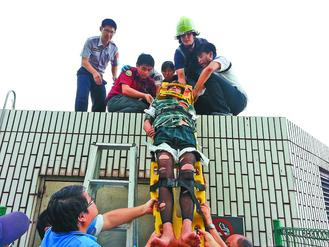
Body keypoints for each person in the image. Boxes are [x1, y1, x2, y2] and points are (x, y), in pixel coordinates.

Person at [144, 83, 208, 247]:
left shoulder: (187, 103)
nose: (174, 89)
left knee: (187, 176)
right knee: (164, 175)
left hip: (185, 135)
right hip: (163, 133)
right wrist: (148, 128)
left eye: (178, 89)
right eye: (171, 88)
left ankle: (186, 229)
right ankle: (168, 232)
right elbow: (147, 119)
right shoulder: (157, 102)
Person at [41, 185, 155, 246]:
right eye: (91, 201)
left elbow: (108, 220)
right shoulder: (85, 245)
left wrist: (144, 209)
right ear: (81, 217)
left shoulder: (52, 233)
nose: (93, 201)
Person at [173, 17, 231, 115]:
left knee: (209, 78)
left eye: (189, 34)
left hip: (208, 77)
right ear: (179, 38)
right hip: (190, 80)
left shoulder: (203, 44)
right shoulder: (179, 53)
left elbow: (211, 66)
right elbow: (181, 77)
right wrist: (186, 94)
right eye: (183, 35)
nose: (186, 37)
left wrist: (199, 88)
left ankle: (223, 111)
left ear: (194, 34)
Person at [75, 18, 119, 112]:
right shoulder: (91, 41)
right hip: (85, 72)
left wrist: (114, 76)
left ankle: (95, 125)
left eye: (112, 32)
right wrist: (94, 73)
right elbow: (84, 61)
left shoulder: (114, 48)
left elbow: (114, 64)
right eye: (106, 30)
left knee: (101, 102)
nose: (108, 34)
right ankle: (78, 121)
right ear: (101, 29)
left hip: (99, 76)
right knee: (82, 98)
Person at [194, 42, 247, 115]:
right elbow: (201, 91)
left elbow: (209, 70)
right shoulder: (208, 78)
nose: (199, 61)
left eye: (200, 56)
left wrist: (195, 91)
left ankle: (222, 111)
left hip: (239, 100)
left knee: (208, 75)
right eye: (197, 58)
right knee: (199, 101)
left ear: (210, 54)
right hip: (227, 104)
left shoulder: (221, 60)